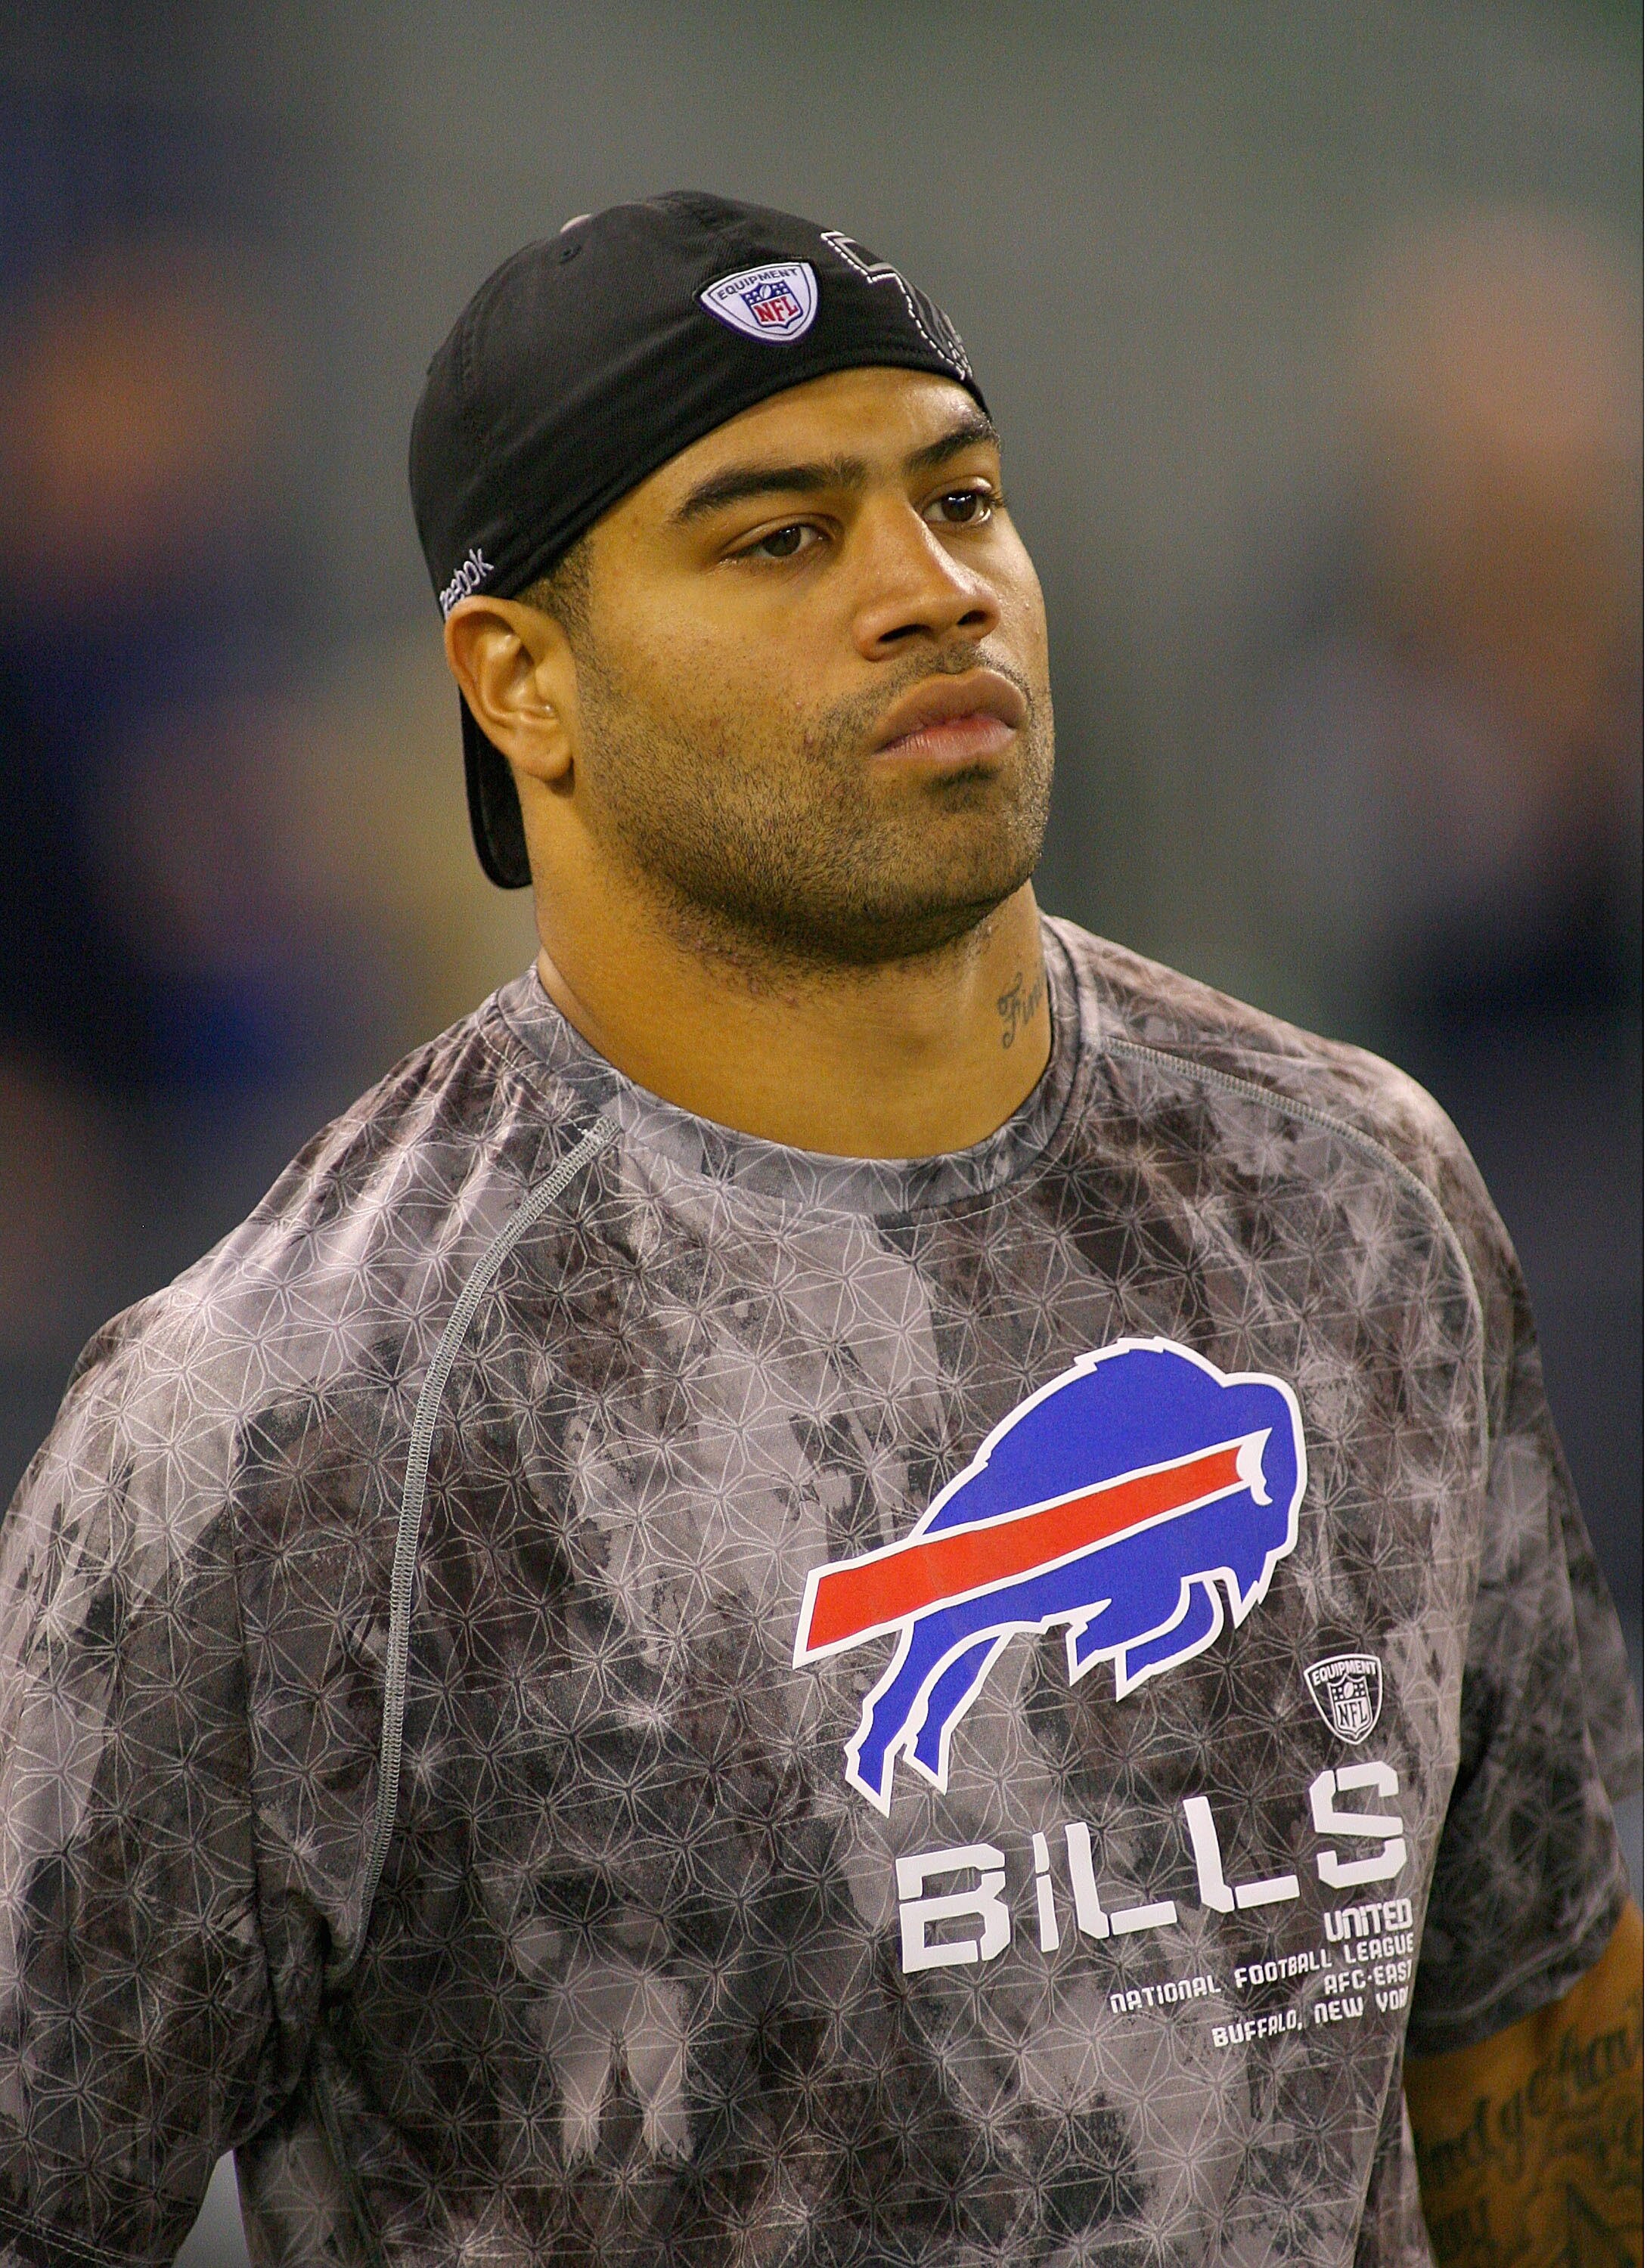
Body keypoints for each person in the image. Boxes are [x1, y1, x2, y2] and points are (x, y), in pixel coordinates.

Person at [0, 194, 1636, 2268]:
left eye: (959, 496)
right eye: (778, 536)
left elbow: (1526, 2020)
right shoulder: (298, 1412)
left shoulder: (1347, 1195)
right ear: (520, 683)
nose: (928, 588)